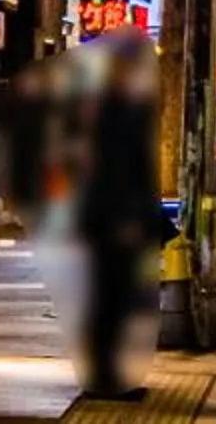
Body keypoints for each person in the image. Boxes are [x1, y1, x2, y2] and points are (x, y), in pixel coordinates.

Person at [69, 34, 164, 404]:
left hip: (112, 217)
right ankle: (102, 379)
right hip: (112, 220)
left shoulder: (112, 106)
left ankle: (108, 376)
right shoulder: (112, 110)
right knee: (109, 299)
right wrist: (123, 218)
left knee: (116, 300)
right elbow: (115, 169)